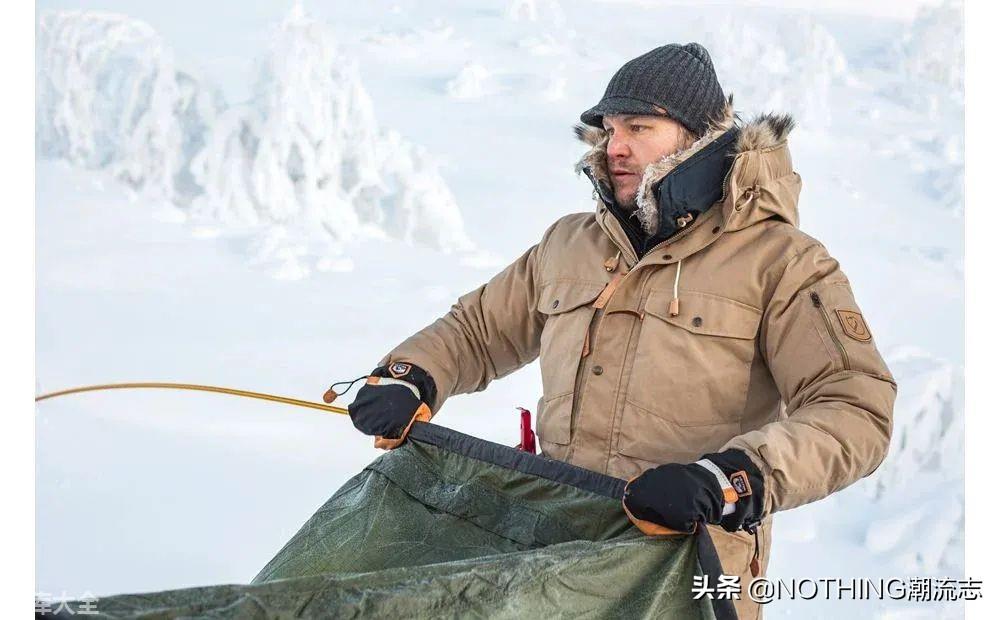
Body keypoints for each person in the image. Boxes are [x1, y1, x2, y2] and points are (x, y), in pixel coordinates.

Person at [347, 42, 896, 619]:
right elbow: (478, 331)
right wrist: (411, 376)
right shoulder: (570, 243)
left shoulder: (782, 262)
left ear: (701, 135)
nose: (616, 148)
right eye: (609, 129)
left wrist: (732, 478)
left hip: (687, 570)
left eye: (639, 126)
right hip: (554, 558)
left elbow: (855, 411)